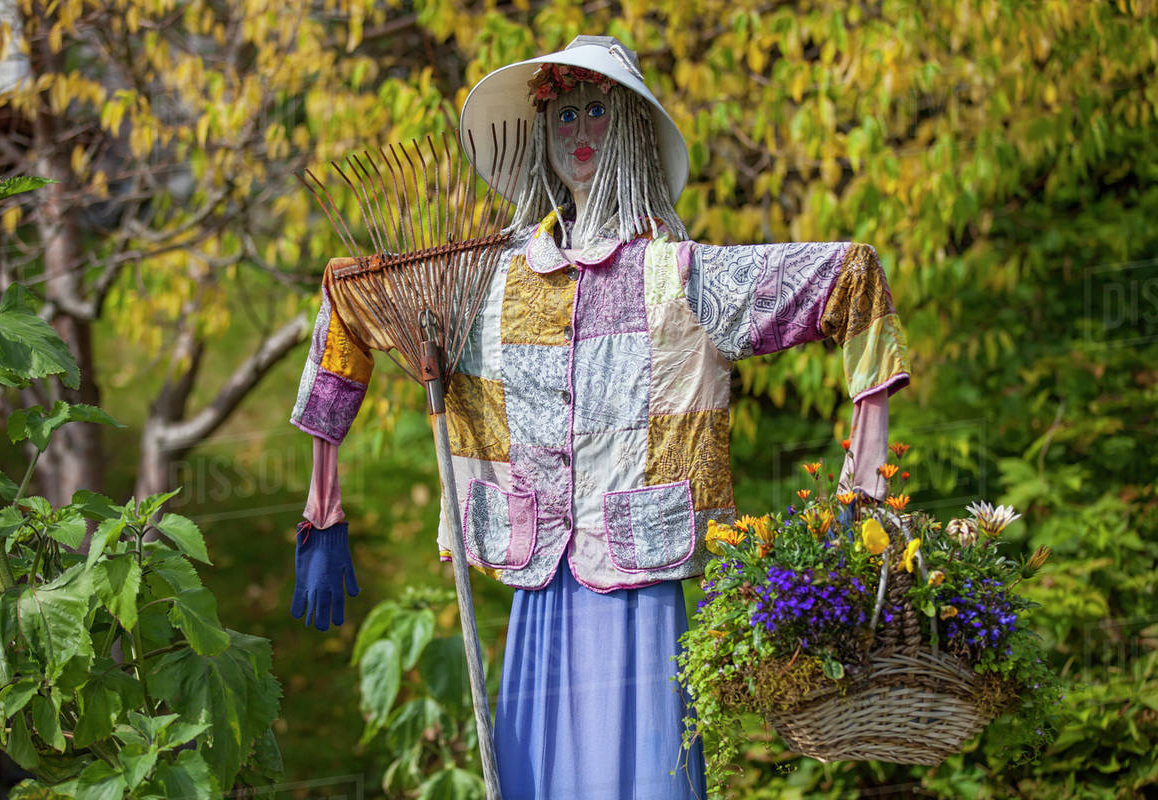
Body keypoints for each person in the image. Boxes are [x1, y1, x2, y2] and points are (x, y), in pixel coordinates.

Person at [289, 35, 910, 800]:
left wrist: (868, 459)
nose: (578, 132)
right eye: (563, 116)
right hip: (539, 577)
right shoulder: (494, 280)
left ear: (631, 135)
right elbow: (349, 297)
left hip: (636, 578)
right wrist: (324, 497)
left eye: (596, 113)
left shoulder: (682, 276)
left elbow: (850, 276)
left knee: (644, 771)